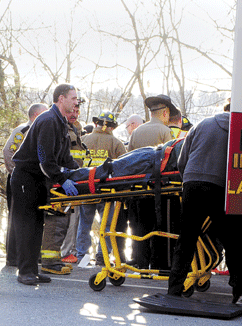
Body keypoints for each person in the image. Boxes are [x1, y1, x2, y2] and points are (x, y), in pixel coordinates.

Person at [167, 108, 242, 305]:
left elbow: (183, 160)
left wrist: (188, 181)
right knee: (231, 241)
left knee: (187, 239)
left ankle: (173, 291)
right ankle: (240, 291)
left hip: (192, 183)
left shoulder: (201, 124)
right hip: (221, 187)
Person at [10, 83, 80, 285]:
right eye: (73, 98)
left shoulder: (61, 123)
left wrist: (79, 173)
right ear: (61, 99)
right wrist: (63, 179)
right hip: (26, 178)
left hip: (39, 179)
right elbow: (46, 160)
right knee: (26, 226)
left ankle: (33, 268)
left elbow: (65, 157)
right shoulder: (49, 121)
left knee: (37, 226)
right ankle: (24, 271)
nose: (76, 102)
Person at [127, 94, 178, 270]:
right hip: (160, 191)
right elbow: (170, 160)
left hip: (138, 190)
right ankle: (159, 265)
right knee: (160, 227)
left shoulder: (137, 132)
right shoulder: (166, 132)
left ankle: (141, 263)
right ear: (165, 113)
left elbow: (128, 160)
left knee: (141, 227)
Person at [77, 110, 127, 266]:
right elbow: (123, 168)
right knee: (106, 224)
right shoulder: (116, 144)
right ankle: (102, 256)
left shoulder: (83, 139)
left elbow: (77, 164)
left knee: (84, 223)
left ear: (96, 124)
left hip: (86, 188)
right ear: (111, 127)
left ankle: (82, 257)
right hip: (107, 190)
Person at [41, 101, 85, 275]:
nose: (74, 113)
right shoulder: (57, 126)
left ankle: (54, 259)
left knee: (62, 222)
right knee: (55, 222)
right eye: (72, 109)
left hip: (65, 180)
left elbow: (67, 157)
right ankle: (49, 262)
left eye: (77, 110)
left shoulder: (71, 128)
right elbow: (50, 158)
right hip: (57, 181)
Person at [3, 103, 48, 266]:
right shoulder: (22, 130)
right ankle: (13, 256)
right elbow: (8, 152)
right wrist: (16, 173)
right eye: (44, 113)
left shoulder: (42, 130)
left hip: (34, 181)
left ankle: (31, 256)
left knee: (32, 219)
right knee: (17, 218)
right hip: (19, 179)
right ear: (35, 115)